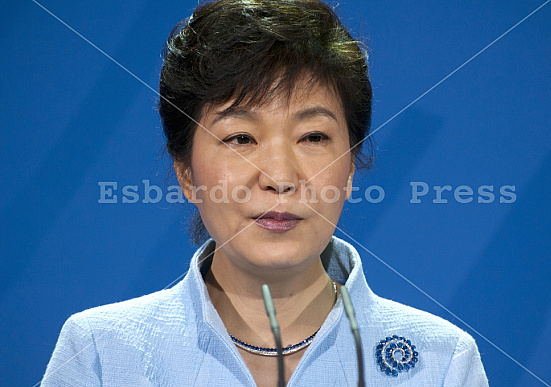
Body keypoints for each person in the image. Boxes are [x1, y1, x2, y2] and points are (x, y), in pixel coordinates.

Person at [42, 0, 488, 385]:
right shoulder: (100, 353)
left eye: (312, 137)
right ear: (185, 173)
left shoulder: (440, 363)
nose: (279, 176)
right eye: (240, 138)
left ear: (351, 168)